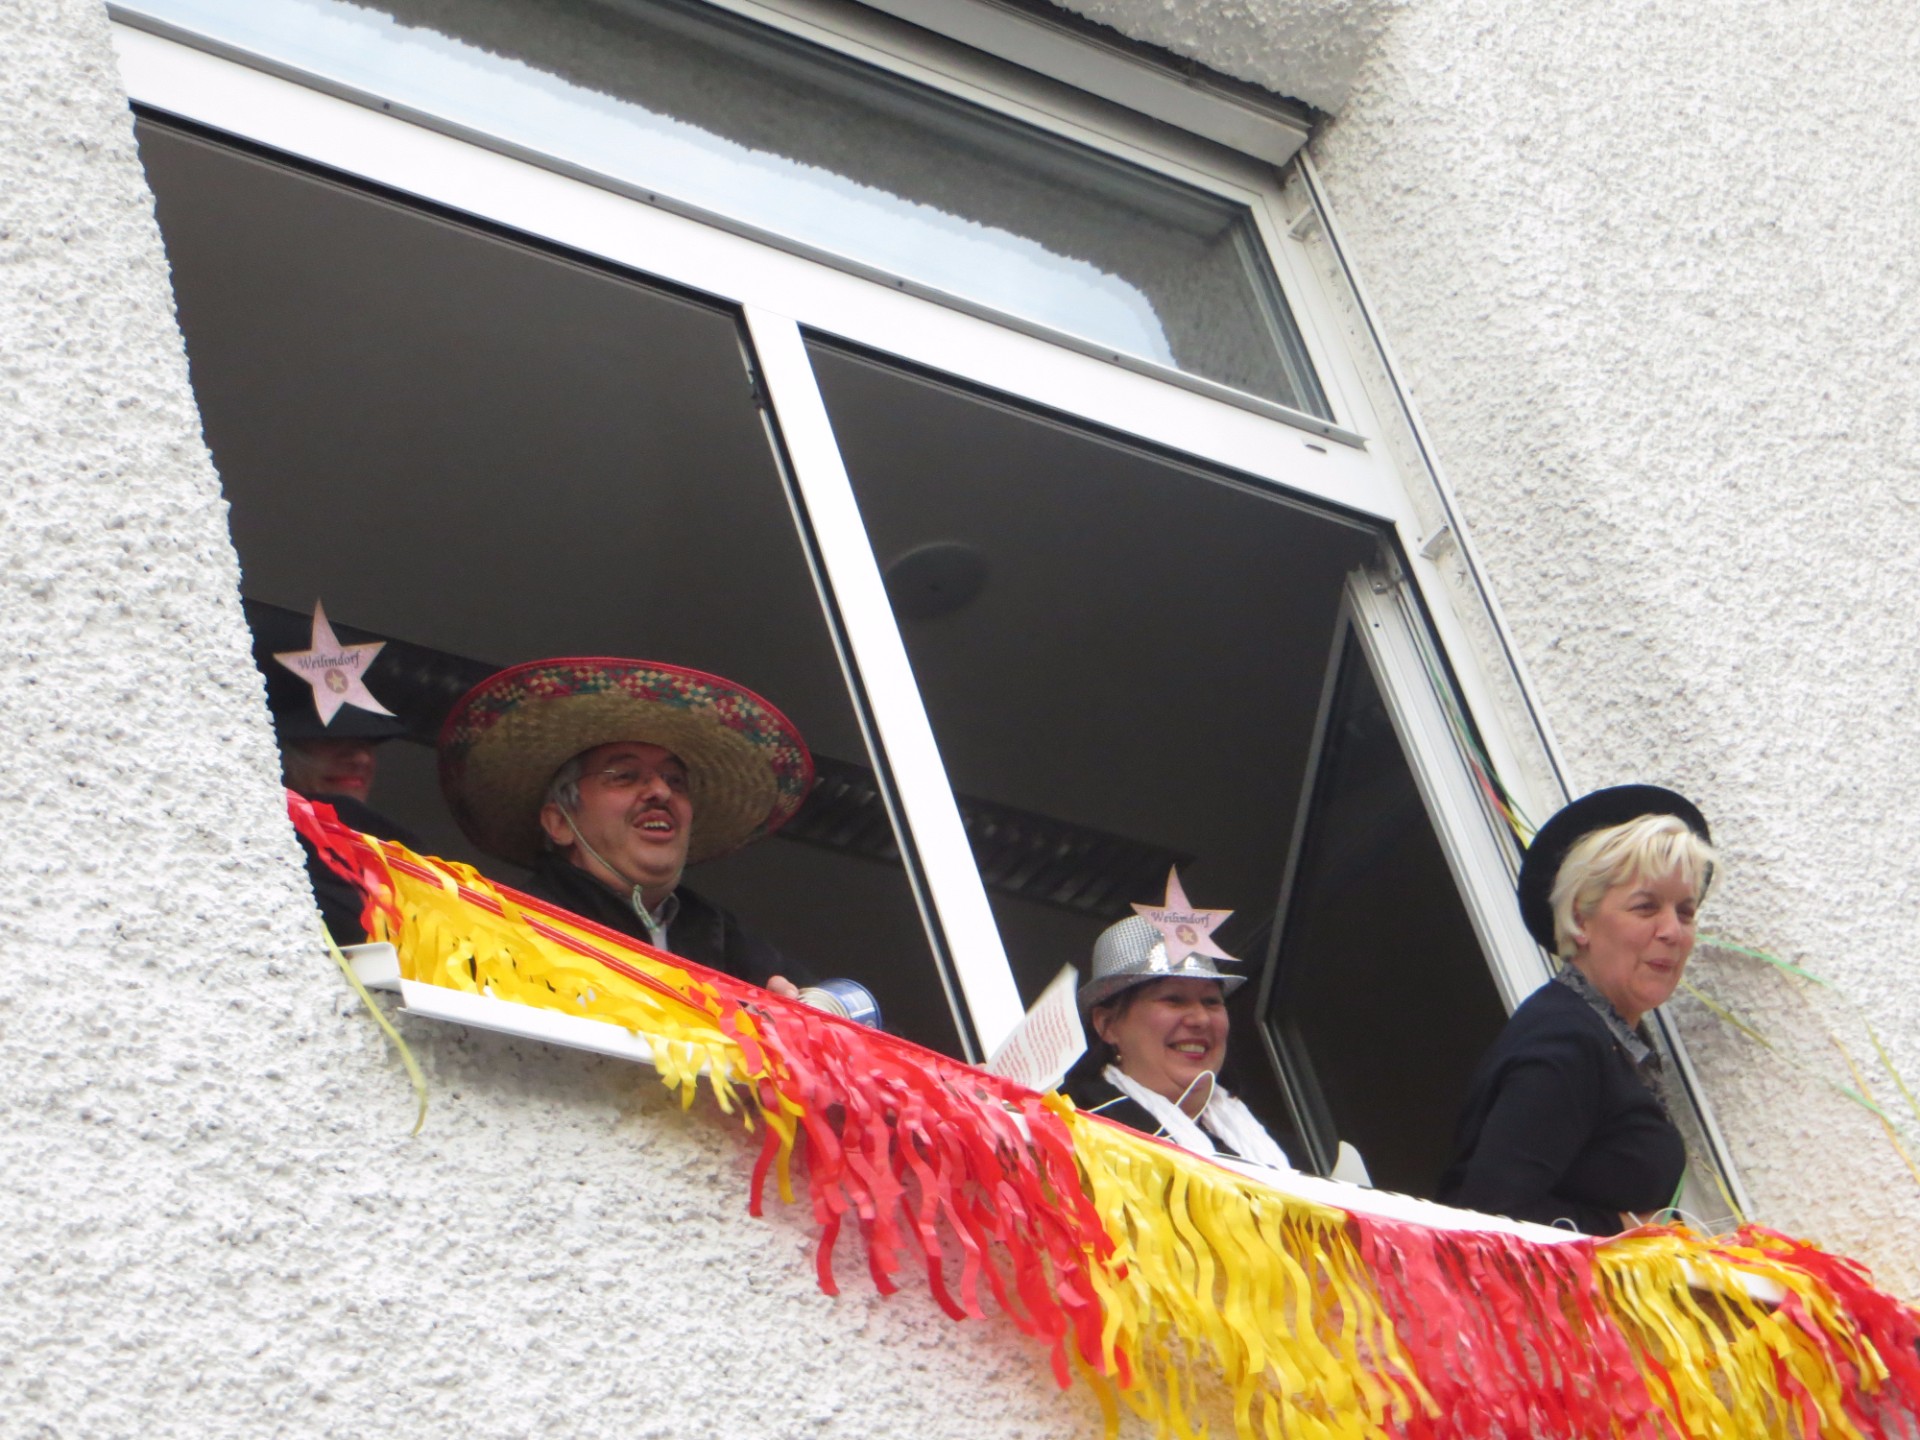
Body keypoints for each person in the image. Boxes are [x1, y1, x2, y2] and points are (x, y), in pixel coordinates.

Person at [437, 656, 817, 996]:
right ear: (560, 823)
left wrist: (804, 1009)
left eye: (675, 780)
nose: (660, 791)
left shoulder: (723, 937)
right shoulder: (509, 931)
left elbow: (833, 1008)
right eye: (624, 776)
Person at [1436, 785, 1718, 1235]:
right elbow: (1491, 1218)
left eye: (1685, 912)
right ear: (1581, 920)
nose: (1672, 931)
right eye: (1646, 907)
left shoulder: (1608, 1034)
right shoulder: (1565, 1040)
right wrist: (1627, 1227)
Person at [1065, 872, 1293, 1171]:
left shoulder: (1282, 1153)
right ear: (1107, 1024)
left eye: (1211, 1002)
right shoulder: (1072, 1129)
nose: (1200, 1018)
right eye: (1173, 999)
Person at [255, 599, 418, 943]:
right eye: (332, 740)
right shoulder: (256, 848)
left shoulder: (410, 863)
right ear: (280, 751)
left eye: (368, 742)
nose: (360, 758)